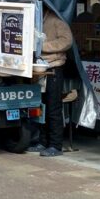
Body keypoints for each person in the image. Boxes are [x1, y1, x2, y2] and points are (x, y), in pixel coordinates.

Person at [30, 8, 73, 158]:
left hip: (54, 67)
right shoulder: (38, 20)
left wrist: (42, 46)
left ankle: (55, 145)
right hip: (40, 69)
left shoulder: (56, 20)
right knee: (41, 107)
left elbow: (67, 41)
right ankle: (42, 142)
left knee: (53, 108)